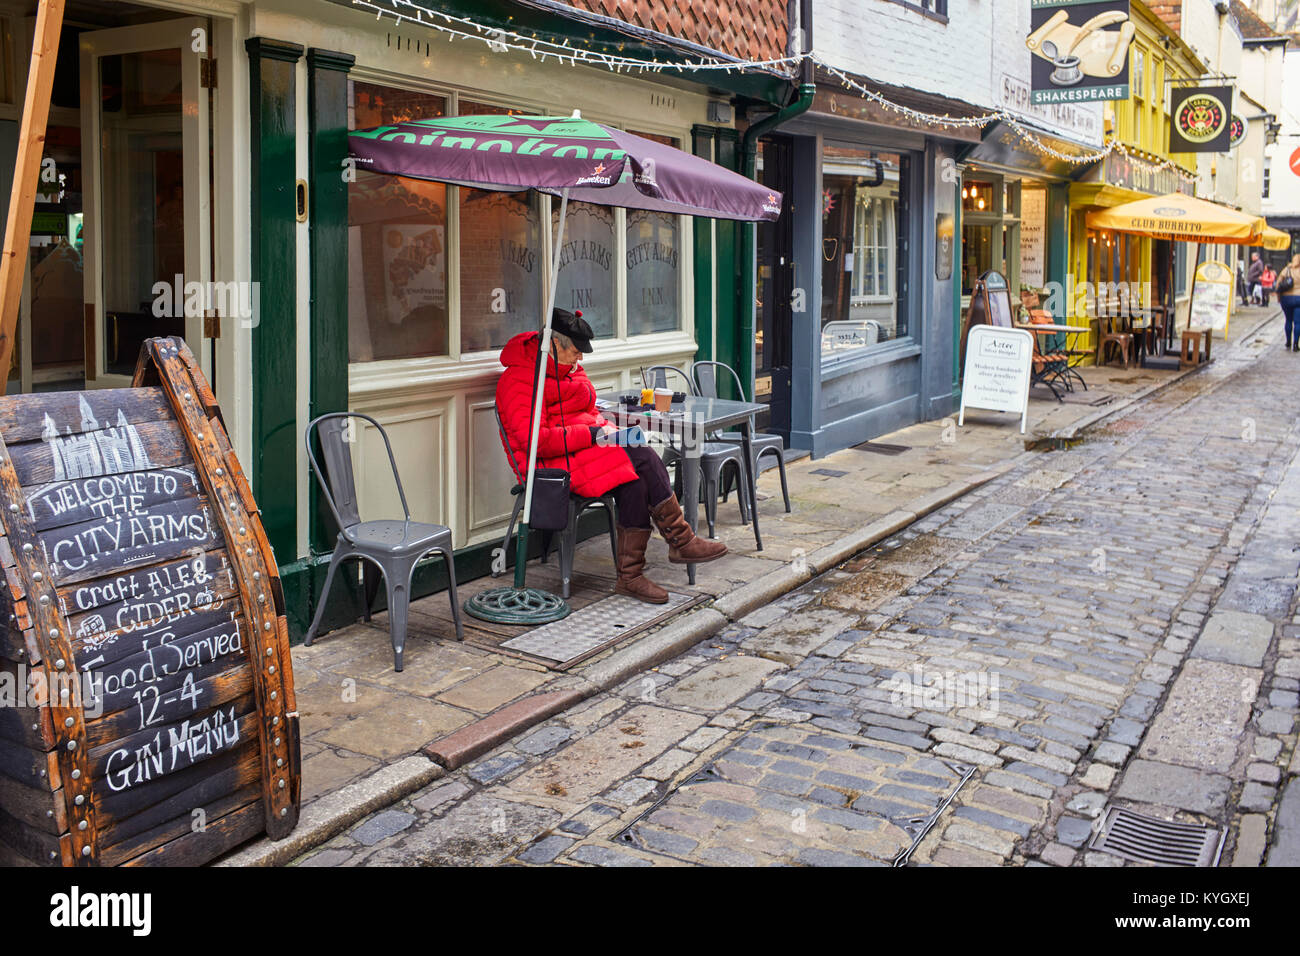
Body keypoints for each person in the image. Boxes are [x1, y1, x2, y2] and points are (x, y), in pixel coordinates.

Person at [496, 309, 727, 604]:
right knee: (638, 453)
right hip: (550, 467)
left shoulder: (568, 369)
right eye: (576, 351)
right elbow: (537, 443)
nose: (581, 359)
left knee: (635, 475)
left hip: (580, 450)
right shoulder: (520, 380)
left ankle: (630, 578)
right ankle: (680, 541)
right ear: (554, 344)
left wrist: (607, 430)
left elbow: (590, 414)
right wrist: (594, 434)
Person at [1278, 254, 1300, 351]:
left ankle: (1288, 342)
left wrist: (1279, 297)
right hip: (1299, 298)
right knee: (1298, 322)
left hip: (1286, 298)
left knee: (1288, 320)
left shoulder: (1286, 269)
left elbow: (1278, 283)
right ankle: (1296, 344)